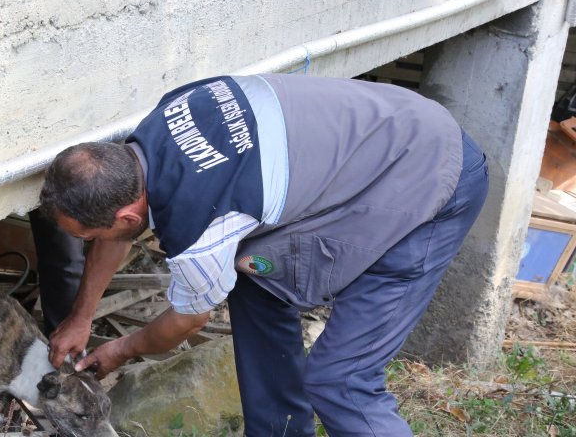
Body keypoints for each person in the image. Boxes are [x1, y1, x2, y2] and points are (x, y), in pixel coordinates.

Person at [39, 73, 489, 436]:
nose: (91, 241)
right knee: (255, 277)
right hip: (386, 134)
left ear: (127, 217)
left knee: (340, 380)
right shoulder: (164, 118)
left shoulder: (202, 228)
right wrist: (81, 318)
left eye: (89, 234)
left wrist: (120, 349)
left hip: (433, 180)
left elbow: (187, 319)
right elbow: (114, 234)